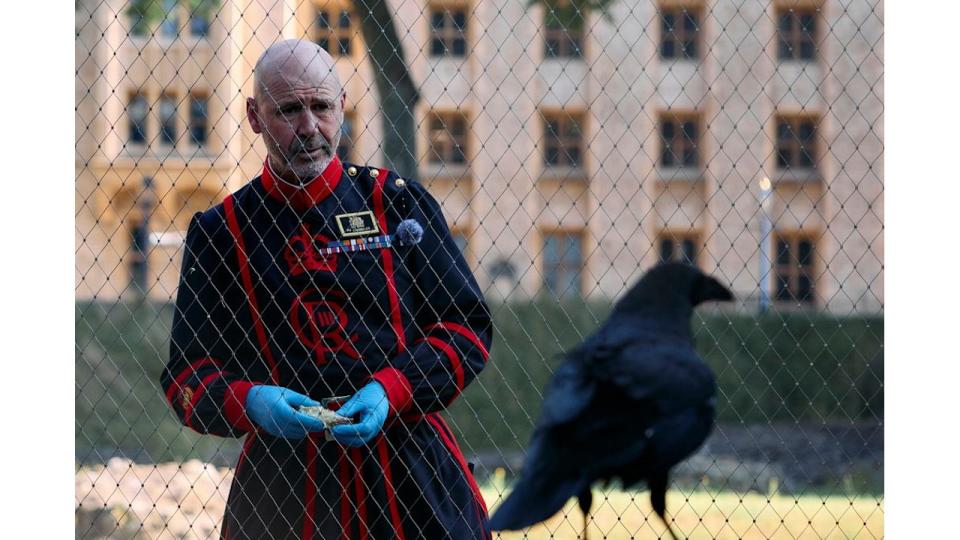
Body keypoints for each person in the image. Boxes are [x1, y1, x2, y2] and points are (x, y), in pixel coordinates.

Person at [160, 39, 493, 539]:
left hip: (413, 481)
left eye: (320, 107)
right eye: (288, 111)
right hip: (280, 495)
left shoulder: (398, 206)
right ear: (254, 115)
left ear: (341, 106)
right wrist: (251, 402)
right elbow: (187, 376)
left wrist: (393, 389)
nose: (309, 128)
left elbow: (467, 330)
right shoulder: (220, 232)